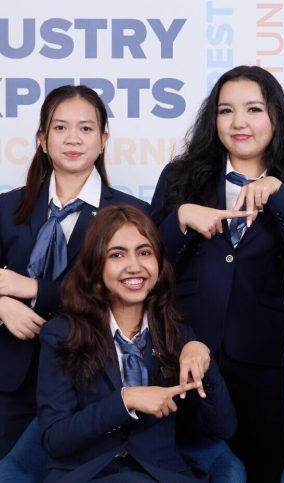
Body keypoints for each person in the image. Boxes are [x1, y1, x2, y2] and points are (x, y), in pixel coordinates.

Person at [150, 65, 284, 481]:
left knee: (260, 467)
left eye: (253, 109)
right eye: (225, 110)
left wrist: (278, 196)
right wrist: (180, 219)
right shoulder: (180, 180)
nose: (238, 123)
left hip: (261, 360)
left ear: (275, 119)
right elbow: (143, 266)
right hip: (181, 352)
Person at [36, 205, 236, 482]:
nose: (134, 266)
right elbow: (55, 438)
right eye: (117, 255)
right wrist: (126, 400)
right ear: (96, 268)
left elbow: (223, 428)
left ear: (158, 265)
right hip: (88, 475)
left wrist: (204, 357)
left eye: (145, 252)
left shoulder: (179, 335)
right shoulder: (60, 334)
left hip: (160, 475)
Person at [0, 85, 149, 458]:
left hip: (89, 376)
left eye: (85, 129)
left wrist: (34, 289)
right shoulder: (6, 207)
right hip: (11, 377)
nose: (73, 139)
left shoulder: (133, 213)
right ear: (42, 139)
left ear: (103, 140)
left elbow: (126, 292)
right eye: (60, 128)